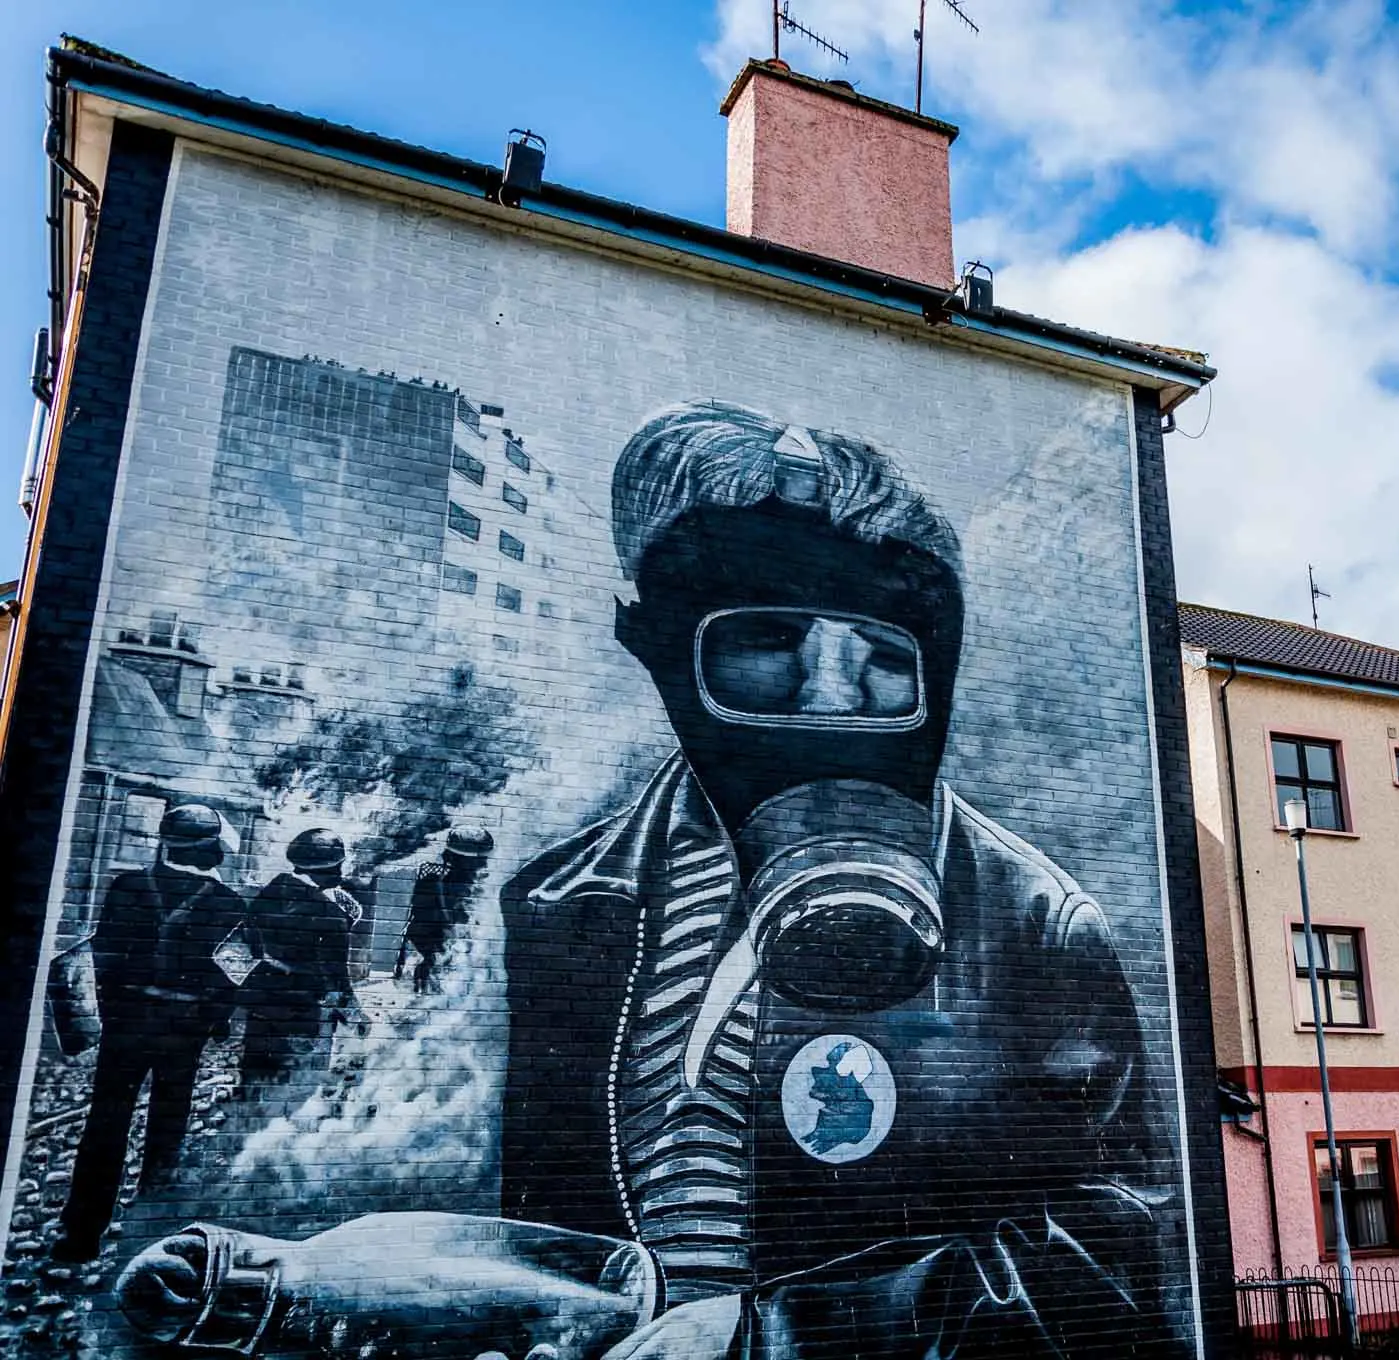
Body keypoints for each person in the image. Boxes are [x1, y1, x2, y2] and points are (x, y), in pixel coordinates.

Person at [112, 404, 1175, 1360]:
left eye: (883, 658)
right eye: (764, 641)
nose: (827, 700)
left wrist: (777, 1339)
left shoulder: (1033, 920)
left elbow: (1124, 1248)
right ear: (658, 653)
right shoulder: (562, 903)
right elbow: (564, 1233)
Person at [53, 804, 247, 1264]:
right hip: (183, 1032)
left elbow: (103, 959)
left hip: (126, 1024)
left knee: (105, 1124)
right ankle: (147, 1237)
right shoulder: (230, 905)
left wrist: (117, 1010)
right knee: (167, 1126)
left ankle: (79, 1237)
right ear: (209, 850)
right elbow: (231, 979)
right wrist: (214, 1023)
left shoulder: (126, 887)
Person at [241, 829, 361, 1093]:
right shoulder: (331, 915)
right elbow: (337, 980)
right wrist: (356, 1017)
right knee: (294, 1092)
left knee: (254, 1086)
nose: (341, 873)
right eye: (338, 866)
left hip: (260, 1012)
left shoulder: (266, 897)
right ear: (329, 867)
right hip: (304, 1016)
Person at [394, 826, 492, 992]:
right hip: (435, 964)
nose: (485, 864)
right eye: (480, 859)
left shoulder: (460, 886)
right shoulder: (440, 886)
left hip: (444, 965)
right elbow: (424, 931)